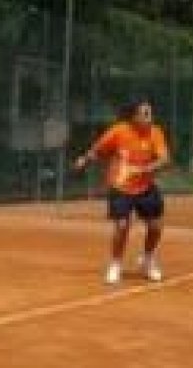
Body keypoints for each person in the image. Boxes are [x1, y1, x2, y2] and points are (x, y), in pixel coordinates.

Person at [73, 100, 170, 284]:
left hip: (146, 187)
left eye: (150, 113)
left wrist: (144, 170)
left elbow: (165, 159)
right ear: (134, 117)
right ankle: (115, 264)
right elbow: (98, 150)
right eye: (145, 113)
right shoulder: (118, 131)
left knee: (156, 226)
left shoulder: (155, 132)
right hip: (121, 187)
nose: (150, 117)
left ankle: (147, 260)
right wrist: (84, 160)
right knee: (121, 226)